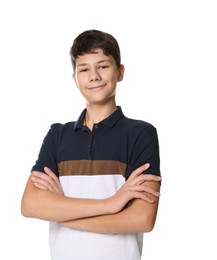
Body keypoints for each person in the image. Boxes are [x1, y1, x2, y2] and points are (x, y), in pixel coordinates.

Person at [21, 29, 161, 260]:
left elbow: (141, 219)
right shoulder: (58, 134)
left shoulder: (141, 134)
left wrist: (61, 210)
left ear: (120, 72)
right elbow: (30, 205)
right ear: (75, 79)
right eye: (84, 69)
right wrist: (111, 204)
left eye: (103, 66)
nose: (94, 75)